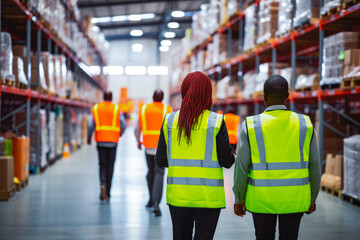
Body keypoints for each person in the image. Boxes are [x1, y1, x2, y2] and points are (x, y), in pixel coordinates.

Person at [233, 75, 321, 240]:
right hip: (295, 199)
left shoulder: (251, 125)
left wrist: (239, 198)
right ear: (287, 97)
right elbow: (314, 166)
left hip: (261, 200)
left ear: (264, 97)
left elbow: (242, 167)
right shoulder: (305, 124)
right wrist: (313, 197)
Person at [155, 71, 235, 240]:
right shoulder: (216, 121)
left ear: (184, 91)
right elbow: (227, 162)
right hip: (208, 197)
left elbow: (161, 160)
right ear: (208, 93)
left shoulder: (169, 120)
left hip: (179, 196)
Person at [135, 89, 172, 217]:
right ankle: (155, 202)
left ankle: (151, 200)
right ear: (162, 98)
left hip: (148, 146)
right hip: (161, 147)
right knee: (159, 173)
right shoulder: (167, 109)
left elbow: (137, 128)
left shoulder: (144, 109)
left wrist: (138, 141)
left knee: (151, 171)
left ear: (152, 97)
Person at [87, 91, 127, 201]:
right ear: (112, 97)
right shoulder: (116, 109)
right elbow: (123, 124)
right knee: (110, 166)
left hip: (100, 141)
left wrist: (89, 137)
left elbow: (91, 125)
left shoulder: (96, 108)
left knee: (102, 165)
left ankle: (102, 184)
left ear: (103, 97)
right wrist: (119, 134)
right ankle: (108, 192)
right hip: (113, 142)